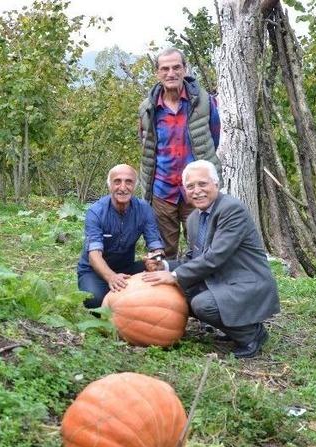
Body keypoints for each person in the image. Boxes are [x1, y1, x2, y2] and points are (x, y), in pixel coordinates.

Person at [143, 160, 279, 358]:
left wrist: (175, 275)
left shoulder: (231, 209)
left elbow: (216, 256)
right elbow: (193, 259)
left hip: (247, 282)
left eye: (202, 184)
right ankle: (236, 326)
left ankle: (252, 335)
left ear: (216, 184)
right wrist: (163, 265)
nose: (197, 191)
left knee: (202, 304)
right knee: (179, 294)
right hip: (220, 281)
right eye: (190, 186)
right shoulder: (194, 219)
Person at [138, 47, 222, 258]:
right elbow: (146, 145)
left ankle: (199, 290)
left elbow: (213, 137)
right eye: (165, 69)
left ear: (185, 69)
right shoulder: (148, 108)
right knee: (163, 252)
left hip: (196, 191)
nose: (171, 73)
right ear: (157, 73)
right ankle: (166, 290)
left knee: (203, 249)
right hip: (162, 190)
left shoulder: (204, 101)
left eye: (176, 67)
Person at [77, 164, 165, 309]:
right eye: (117, 181)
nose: (123, 187)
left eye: (128, 182)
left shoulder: (144, 209)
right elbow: (94, 255)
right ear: (110, 185)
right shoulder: (95, 212)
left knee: (168, 269)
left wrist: (157, 260)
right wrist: (111, 277)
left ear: (135, 185)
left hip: (126, 268)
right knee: (94, 300)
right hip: (94, 270)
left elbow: (155, 244)